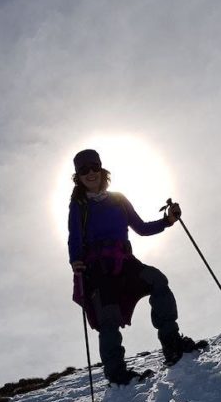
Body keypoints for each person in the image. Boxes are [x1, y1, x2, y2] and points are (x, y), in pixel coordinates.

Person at [68, 148, 205, 385]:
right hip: (98, 270)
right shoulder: (78, 205)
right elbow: (74, 237)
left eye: (94, 167)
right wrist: (75, 260)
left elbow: (140, 227)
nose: (90, 173)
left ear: (101, 169)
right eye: (83, 170)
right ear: (78, 176)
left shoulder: (119, 200)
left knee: (157, 280)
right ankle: (116, 373)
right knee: (107, 318)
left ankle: (171, 344)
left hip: (125, 263)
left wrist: (167, 221)